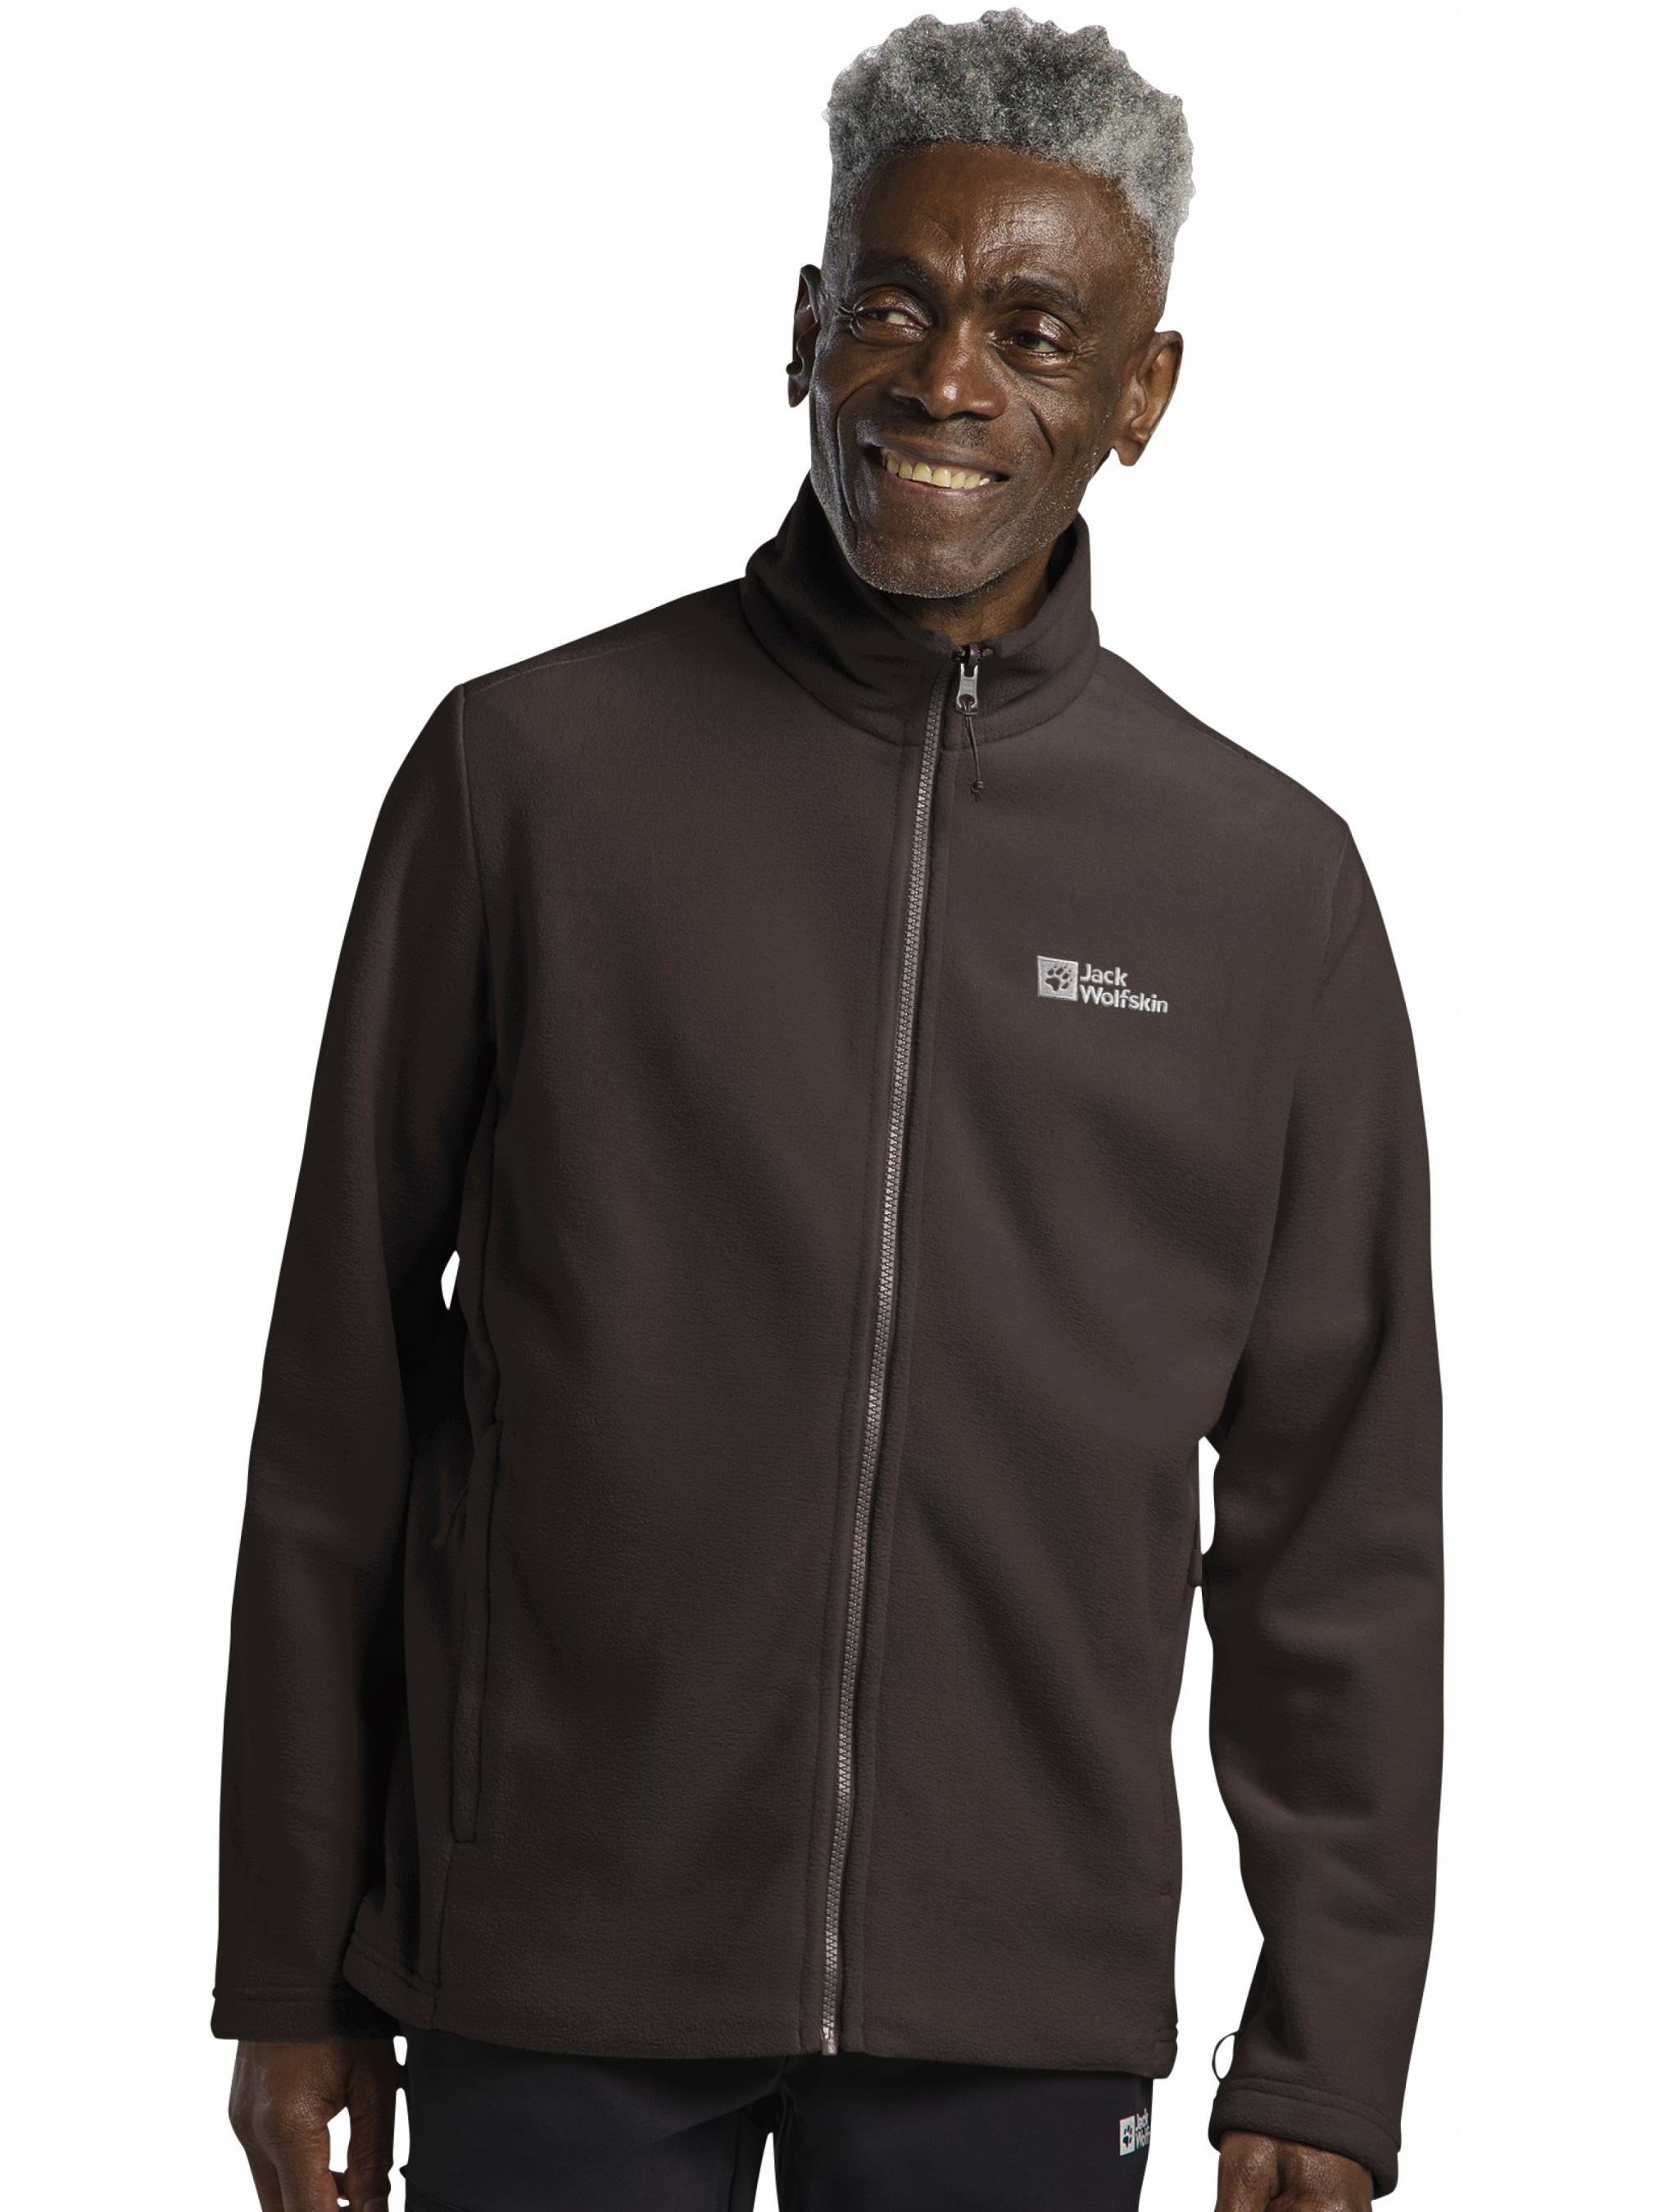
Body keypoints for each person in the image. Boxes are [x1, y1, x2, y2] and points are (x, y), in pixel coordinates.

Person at [215, 12, 1442, 2210]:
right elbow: (341, 1408)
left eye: (1035, 331)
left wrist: (1329, 2042)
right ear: (801, 328)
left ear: (1142, 394)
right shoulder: (528, 777)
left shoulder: (1265, 887)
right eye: (891, 304)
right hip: (551, 1962)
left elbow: (1338, 1516)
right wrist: (288, 1958)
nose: (944, 380)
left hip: (1015, 2003)